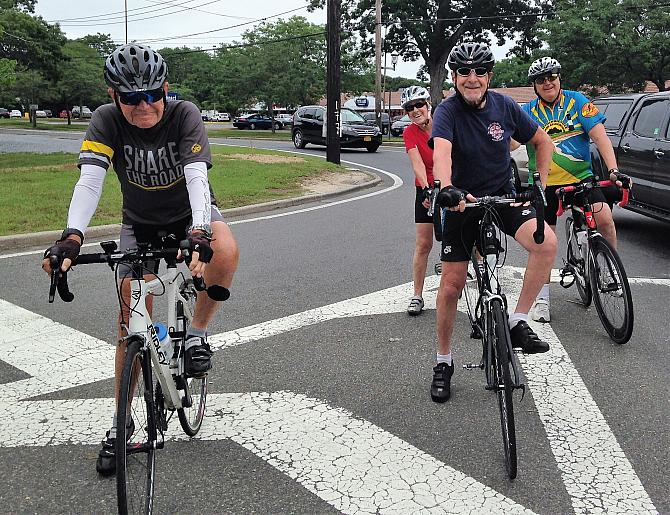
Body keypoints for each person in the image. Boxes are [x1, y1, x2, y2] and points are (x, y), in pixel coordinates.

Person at [41, 43, 239, 475]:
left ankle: (196, 335)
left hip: (191, 214)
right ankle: (121, 421)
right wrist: (72, 237)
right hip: (140, 222)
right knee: (130, 314)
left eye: (152, 94)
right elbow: (90, 182)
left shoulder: (183, 114)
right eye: (130, 98)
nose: (143, 105)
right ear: (114, 96)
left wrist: (200, 232)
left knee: (226, 250)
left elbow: (196, 178)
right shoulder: (105, 120)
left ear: (165, 88)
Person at [429, 42, 558, 402]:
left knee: (546, 243)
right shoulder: (447, 111)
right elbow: (442, 153)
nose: (472, 79)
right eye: (465, 73)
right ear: (455, 77)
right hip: (463, 202)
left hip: (503, 195)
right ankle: (443, 361)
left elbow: (541, 142)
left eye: (480, 72)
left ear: (489, 76)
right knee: (452, 286)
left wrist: (539, 185)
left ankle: (517, 320)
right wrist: (448, 188)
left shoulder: (504, 105)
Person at [516, 57, 624, 323]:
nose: (547, 82)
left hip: (581, 180)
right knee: (544, 242)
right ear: (534, 86)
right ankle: (542, 299)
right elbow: (508, 143)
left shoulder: (577, 101)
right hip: (545, 185)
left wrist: (613, 171)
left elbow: (600, 137)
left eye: (552, 76)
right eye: (541, 80)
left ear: (559, 78)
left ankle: (609, 271)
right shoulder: (528, 111)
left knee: (605, 220)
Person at [401, 85, 436, 316]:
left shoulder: (444, 123)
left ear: (428, 105)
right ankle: (417, 294)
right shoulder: (409, 132)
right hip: (426, 189)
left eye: (419, 105)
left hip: (451, 183)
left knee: (466, 236)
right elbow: (418, 165)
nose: (415, 110)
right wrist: (426, 190)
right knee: (423, 243)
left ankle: (481, 270)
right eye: (409, 108)